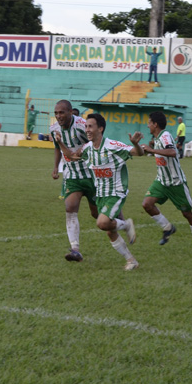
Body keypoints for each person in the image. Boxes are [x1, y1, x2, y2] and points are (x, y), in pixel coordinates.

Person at [55, 113, 138, 270]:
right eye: (86, 126)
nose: (87, 130)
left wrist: (136, 145)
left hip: (116, 191)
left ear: (100, 128)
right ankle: (131, 260)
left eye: (90, 126)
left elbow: (137, 152)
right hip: (101, 195)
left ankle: (126, 224)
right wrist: (59, 142)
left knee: (102, 222)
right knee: (109, 230)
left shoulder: (112, 145)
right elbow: (72, 156)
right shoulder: (87, 149)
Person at [130, 111, 192, 254]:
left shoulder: (165, 136)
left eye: (149, 122)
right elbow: (148, 152)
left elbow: (172, 152)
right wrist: (138, 145)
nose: (147, 125)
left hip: (176, 183)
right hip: (162, 181)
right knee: (147, 204)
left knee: (187, 214)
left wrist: (151, 149)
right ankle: (167, 227)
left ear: (155, 124)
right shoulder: (156, 138)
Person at [50, 100, 99, 262]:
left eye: (62, 112)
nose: (58, 116)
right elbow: (58, 148)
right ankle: (75, 249)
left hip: (91, 174)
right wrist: (56, 167)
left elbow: (96, 140)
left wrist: (84, 149)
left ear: (71, 112)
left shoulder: (82, 126)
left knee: (97, 214)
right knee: (70, 207)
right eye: (56, 113)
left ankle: (123, 224)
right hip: (72, 176)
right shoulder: (54, 129)